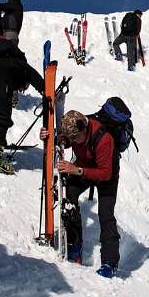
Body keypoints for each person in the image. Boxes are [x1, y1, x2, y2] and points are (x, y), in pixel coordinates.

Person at [39, 99, 133, 278]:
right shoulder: (76, 128)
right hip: (83, 168)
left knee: (106, 215)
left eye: (75, 138)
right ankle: (75, 245)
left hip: (106, 176)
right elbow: (63, 139)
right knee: (70, 197)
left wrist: (76, 170)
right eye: (71, 138)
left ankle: (110, 263)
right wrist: (48, 136)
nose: (73, 141)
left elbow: (105, 173)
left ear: (84, 130)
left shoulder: (104, 139)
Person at [0, 34, 44, 174]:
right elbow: (34, 76)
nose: (21, 90)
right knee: (2, 115)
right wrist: (47, 91)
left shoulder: (4, 58)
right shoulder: (19, 65)